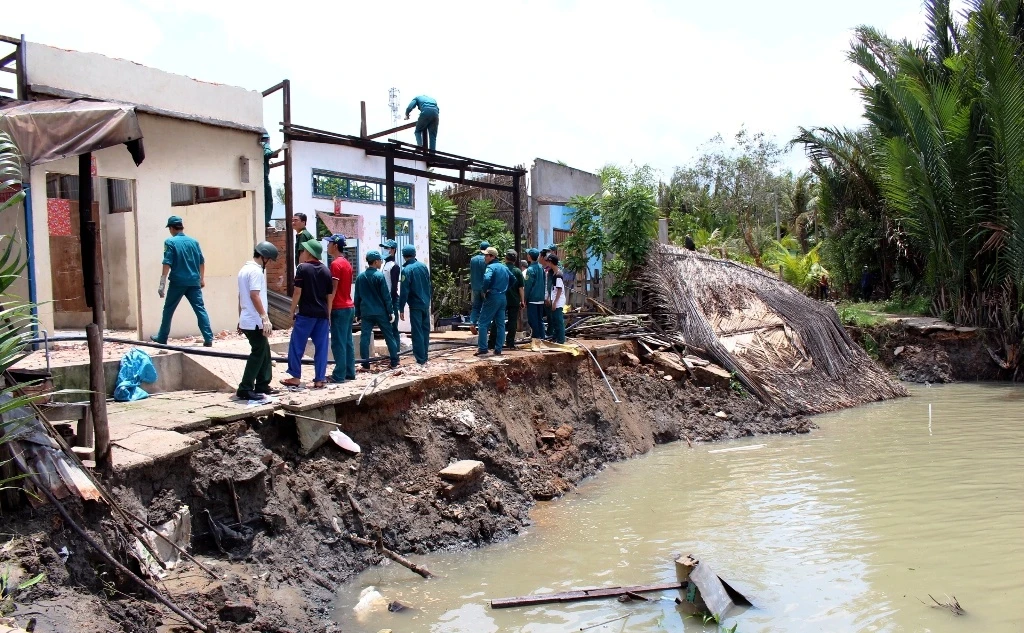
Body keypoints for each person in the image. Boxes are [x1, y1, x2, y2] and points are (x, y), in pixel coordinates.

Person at [152, 215, 213, 346]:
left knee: (168, 310)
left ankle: (162, 337)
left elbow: (167, 262)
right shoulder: (194, 242)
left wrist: (162, 283)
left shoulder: (170, 242)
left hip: (178, 282)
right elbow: (201, 262)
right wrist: (202, 279)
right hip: (194, 281)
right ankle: (208, 338)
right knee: (200, 309)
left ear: (172, 228)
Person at [282, 240, 332, 389]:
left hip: (306, 315)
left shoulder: (302, 268)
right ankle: (319, 379)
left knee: (297, 345)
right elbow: (329, 296)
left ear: (309, 252)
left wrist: (292, 310)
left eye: (303, 251)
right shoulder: (326, 270)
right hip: (322, 315)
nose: (302, 253)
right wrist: (328, 315)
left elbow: (297, 292)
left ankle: (295, 377)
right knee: (322, 348)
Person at [236, 241, 280, 401]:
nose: (269, 263)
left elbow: (241, 296)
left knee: (264, 351)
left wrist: (240, 318)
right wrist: (264, 317)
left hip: (248, 318)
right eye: (269, 260)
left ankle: (262, 384)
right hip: (254, 320)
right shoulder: (255, 271)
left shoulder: (244, 270)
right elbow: (254, 295)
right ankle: (245, 387)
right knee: (258, 352)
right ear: (264, 257)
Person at [354, 250, 400, 369]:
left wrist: (357, 313)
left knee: (365, 337)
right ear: (375, 262)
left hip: (366, 312)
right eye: (380, 260)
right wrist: (390, 311)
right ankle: (394, 361)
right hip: (380, 312)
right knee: (389, 336)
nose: (381, 262)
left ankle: (365, 363)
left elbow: (357, 297)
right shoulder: (379, 276)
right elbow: (386, 296)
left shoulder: (360, 277)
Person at [326, 234, 356, 384]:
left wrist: (328, 310)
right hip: (349, 306)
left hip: (339, 308)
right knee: (348, 341)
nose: (327, 246)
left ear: (335, 246)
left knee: (338, 342)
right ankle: (350, 372)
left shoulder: (335, 264)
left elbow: (333, 289)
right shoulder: (347, 263)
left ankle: (339, 375)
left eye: (329, 243)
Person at [397, 244, 432, 365]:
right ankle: (425, 356)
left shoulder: (406, 270)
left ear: (403, 256)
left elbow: (404, 291)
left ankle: (420, 359)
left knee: (417, 332)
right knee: (425, 331)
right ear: (414, 254)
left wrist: (401, 308)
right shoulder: (423, 267)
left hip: (415, 305)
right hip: (425, 304)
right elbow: (429, 284)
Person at [475, 247, 510, 356]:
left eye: (486, 255)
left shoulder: (490, 267)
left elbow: (486, 278)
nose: (484, 257)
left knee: (482, 323)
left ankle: (483, 348)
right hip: (502, 297)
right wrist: (505, 289)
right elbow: (513, 279)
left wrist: (485, 290)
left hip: (492, 297)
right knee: (500, 325)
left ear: (492, 257)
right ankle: (498, 349)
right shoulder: (504, 267)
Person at [489, 249, 525, 350]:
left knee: (497, 321)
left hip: (501, 299)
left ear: (505, 258)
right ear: (515, 259)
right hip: (514, 300)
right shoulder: (517, 271)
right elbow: (521, 288)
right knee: (513, 322)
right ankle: (510, 343)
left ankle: (492, 343)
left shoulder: (501, 269)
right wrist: (522, 301)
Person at [380, 239, 402, 342]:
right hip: (385, 300)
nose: (384, 250)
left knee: (393, 328)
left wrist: (390, 304)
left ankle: (396, 349)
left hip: (391, 300)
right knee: (388, 329)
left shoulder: (394, 266)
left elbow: (394, 287)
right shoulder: (384, 265)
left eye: (386, 248)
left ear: (393, 250)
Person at [523, 248, 546, 340]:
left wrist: (524, 299)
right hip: (541, 298)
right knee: (540, 319)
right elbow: (544, 282)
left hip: (532, 299)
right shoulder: (541, 268)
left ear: (529, 257)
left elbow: (528, 286)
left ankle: (536, 338)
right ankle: (542, 337)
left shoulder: (530, 269)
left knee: (533, 320)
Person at [468, 241, 490, 334]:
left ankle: (472, 323)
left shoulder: (473, 259)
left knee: (476, 307)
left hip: (475, 287)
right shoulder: (487, 259)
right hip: (485, 287)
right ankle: (484, 327)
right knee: (486, 307)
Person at [261, 133, 282, 228]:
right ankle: (265, 221)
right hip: (263, 177)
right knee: (268, 200)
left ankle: (264, 221)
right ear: (267, 139)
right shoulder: (265, 144)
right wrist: (281, 149)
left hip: (258, 176)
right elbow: (268, 154)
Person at [546, 254, 567, 344]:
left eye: (548, 262)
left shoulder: (558, 274)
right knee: (554, 319)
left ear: (551, 262)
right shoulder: (554, 273)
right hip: (554, 299)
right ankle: (556, 337)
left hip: (558, 300)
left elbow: (559, 289)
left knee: (558, 320)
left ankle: (561, 339)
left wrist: (555, 302)